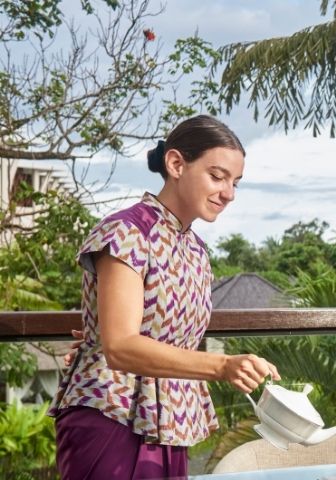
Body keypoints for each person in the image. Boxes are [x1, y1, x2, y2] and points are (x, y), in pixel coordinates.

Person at [49, 115, 281, 479]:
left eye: (235, 182)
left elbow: (158, 334)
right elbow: (121, 346)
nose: (229, 193)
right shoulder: (126, 232)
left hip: (171, 422)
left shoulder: (196, 251)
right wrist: (223, 366)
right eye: (217, 176)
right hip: (111, 416)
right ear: (176, 164)